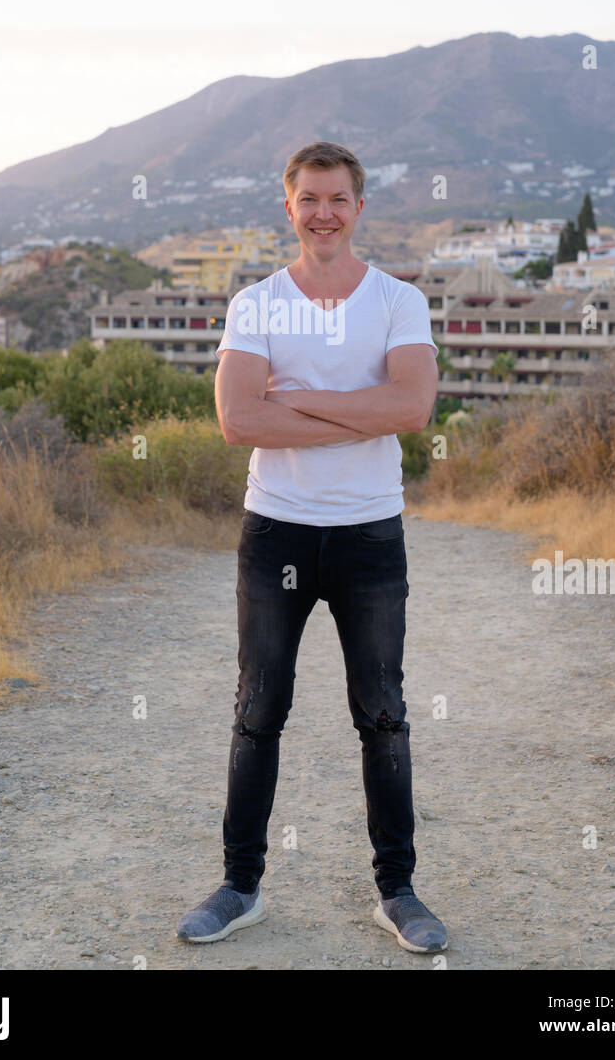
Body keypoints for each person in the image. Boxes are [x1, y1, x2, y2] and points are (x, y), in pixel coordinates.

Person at [175, 141, 447, 954]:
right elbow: (239, 421)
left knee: (384, 716)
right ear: (288, 207)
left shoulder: (399, 301)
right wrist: (362, 407)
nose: (323, 213)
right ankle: (239, 888)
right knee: (258, 711)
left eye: (337, 199)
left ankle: (398, 894)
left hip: (370, 533)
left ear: (359, 208)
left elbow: (413, 409)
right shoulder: (255, 304)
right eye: (309, 199)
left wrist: (297, 402)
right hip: (277, 531)